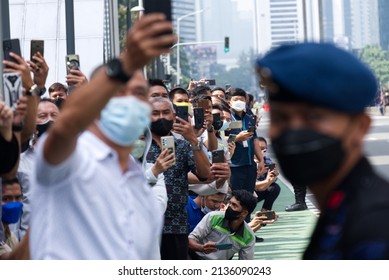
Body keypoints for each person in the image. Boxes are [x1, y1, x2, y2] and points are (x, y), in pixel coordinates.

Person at [29, 13, 177, 260]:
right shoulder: (72, 159)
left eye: (139, 93)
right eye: (119, 90)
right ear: (97, 99)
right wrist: (127, 62)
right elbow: (65, 126)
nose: (130, 99)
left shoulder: (140, 187)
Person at [256, 42, 389, 259]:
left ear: (360, 127)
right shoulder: (338, 208)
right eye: (281, 118)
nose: (295, 131)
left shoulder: (376, 225)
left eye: (314, 117)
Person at [146, 97, 211, 260]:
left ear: (174, 116)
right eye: (155, 113)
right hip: (144, 224)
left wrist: (193, 140)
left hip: (175, 226)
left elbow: (205, 174)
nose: (161, 117)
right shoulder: (138, 146)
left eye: (166, 112)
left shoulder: (183, 146)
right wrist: (155, 170)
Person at [188, 190, 257, 260]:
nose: (229, 207)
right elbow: (190, 239)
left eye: (234, 205)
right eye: (229, 203)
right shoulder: (213, 217)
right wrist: (202, 248)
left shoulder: (249, 237)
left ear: (244, 213)